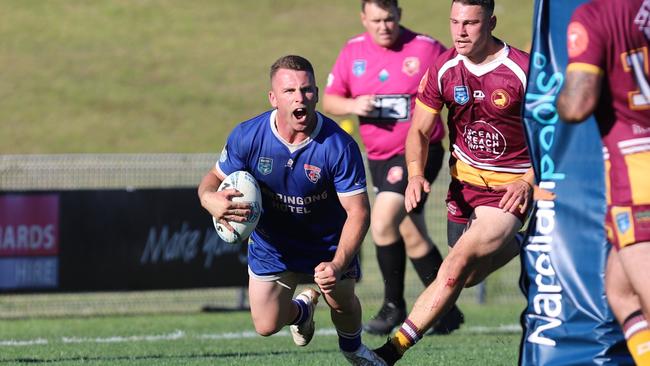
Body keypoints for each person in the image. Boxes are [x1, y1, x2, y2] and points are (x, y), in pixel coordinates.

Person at [372, 0, 533, 363]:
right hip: (463, 187)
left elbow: (556, 134)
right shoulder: (444, 68)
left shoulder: (523, 70)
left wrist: (527, 180)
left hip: (510, 189)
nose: (460, 32)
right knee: (465, 276)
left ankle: (391, 351)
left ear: (490, 22)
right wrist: (415, 175)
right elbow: (418, 130)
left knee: (456, 263)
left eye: (471, 23)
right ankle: (523, 242)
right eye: (455, 22)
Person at [198, 55, 386, 365]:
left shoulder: (338, 145)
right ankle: (302, 311)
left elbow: (359, 212)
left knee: (342, 302)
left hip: (327, 243)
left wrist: (338, 264)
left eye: (307, 90)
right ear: (273, 98)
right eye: (289, 91)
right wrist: (208, 198)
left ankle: (353, 350)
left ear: (316, 93)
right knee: (266, 325)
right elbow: (214, 178)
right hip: (274, 244)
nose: (300, 98)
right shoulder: (248, 135)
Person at [322, 0, 464, 336]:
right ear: (363, 19)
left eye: (389, 19)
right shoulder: (352, 51)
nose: (383, 26)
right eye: (376, 20)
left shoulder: (426, 48)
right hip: (377, 158)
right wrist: (354, 104)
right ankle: (446, 310)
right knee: (411, 232)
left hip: (419, 153)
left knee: (384, 219)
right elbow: (329, 99)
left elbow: (459, 78)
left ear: (399, 15)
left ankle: (392, 306)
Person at [556, 1, 650, 364]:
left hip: (638, 175)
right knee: (621, 290)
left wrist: (558, 98)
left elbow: (578, 104)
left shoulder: (596, 14)